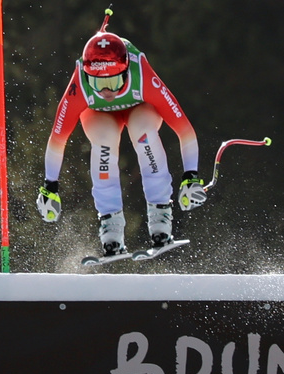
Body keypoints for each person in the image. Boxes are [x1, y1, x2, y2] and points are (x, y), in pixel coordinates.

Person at [36, 9, 207, 256]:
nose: (106, 92)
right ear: (87, 75)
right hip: (99, 115)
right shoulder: (80, 84)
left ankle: (161, 220)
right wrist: (49, 187)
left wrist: (191, 176)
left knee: (144, 134)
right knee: (104, 143)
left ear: (126, 71)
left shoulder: (142, 76)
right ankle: (111, 230)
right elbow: (57, 139)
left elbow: (185, 130)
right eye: (98, 83)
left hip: (140, 108)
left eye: (113, 83)